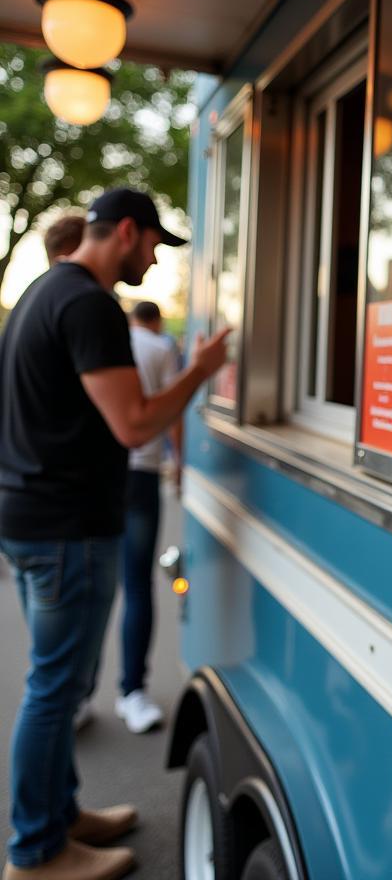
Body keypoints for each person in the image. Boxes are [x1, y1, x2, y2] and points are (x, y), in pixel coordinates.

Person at [0, 188, 229, 880]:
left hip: (35, 518)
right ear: (126, 232)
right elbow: (134, 425)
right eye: (156, 244)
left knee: (56, 684)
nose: (156, 260)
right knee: (55, 688)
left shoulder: (44, 292)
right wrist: (199, 371)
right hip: (65, 528)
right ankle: (37, 851)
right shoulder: (89, 304)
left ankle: (61, 816)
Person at [114, 301, 181, 734]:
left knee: (92, 589)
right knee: (137, 586)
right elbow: (172, 414)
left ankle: (77, 696)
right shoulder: (159, 348)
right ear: (155, 320)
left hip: (98, 474)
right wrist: (182, 464)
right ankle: (131, 691)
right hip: (140, 474)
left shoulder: (110, 343)